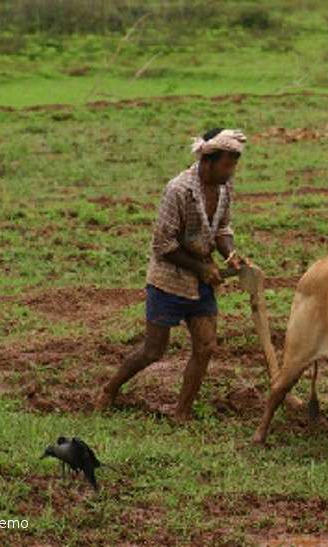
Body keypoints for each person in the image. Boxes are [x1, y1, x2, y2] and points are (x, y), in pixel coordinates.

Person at [97, 128, 247, 421]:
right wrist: (202, 268)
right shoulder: (178, 190)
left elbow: (222, 230)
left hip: (201, 282)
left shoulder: (224, 188)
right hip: (168, 281)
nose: (231, 171)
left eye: (234, 165)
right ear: (207, 160)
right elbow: (163, 244)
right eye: (227, 165)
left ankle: (182, 412)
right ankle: (110, 389)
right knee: (153, 350)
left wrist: (229, 254)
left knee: (205, 347)